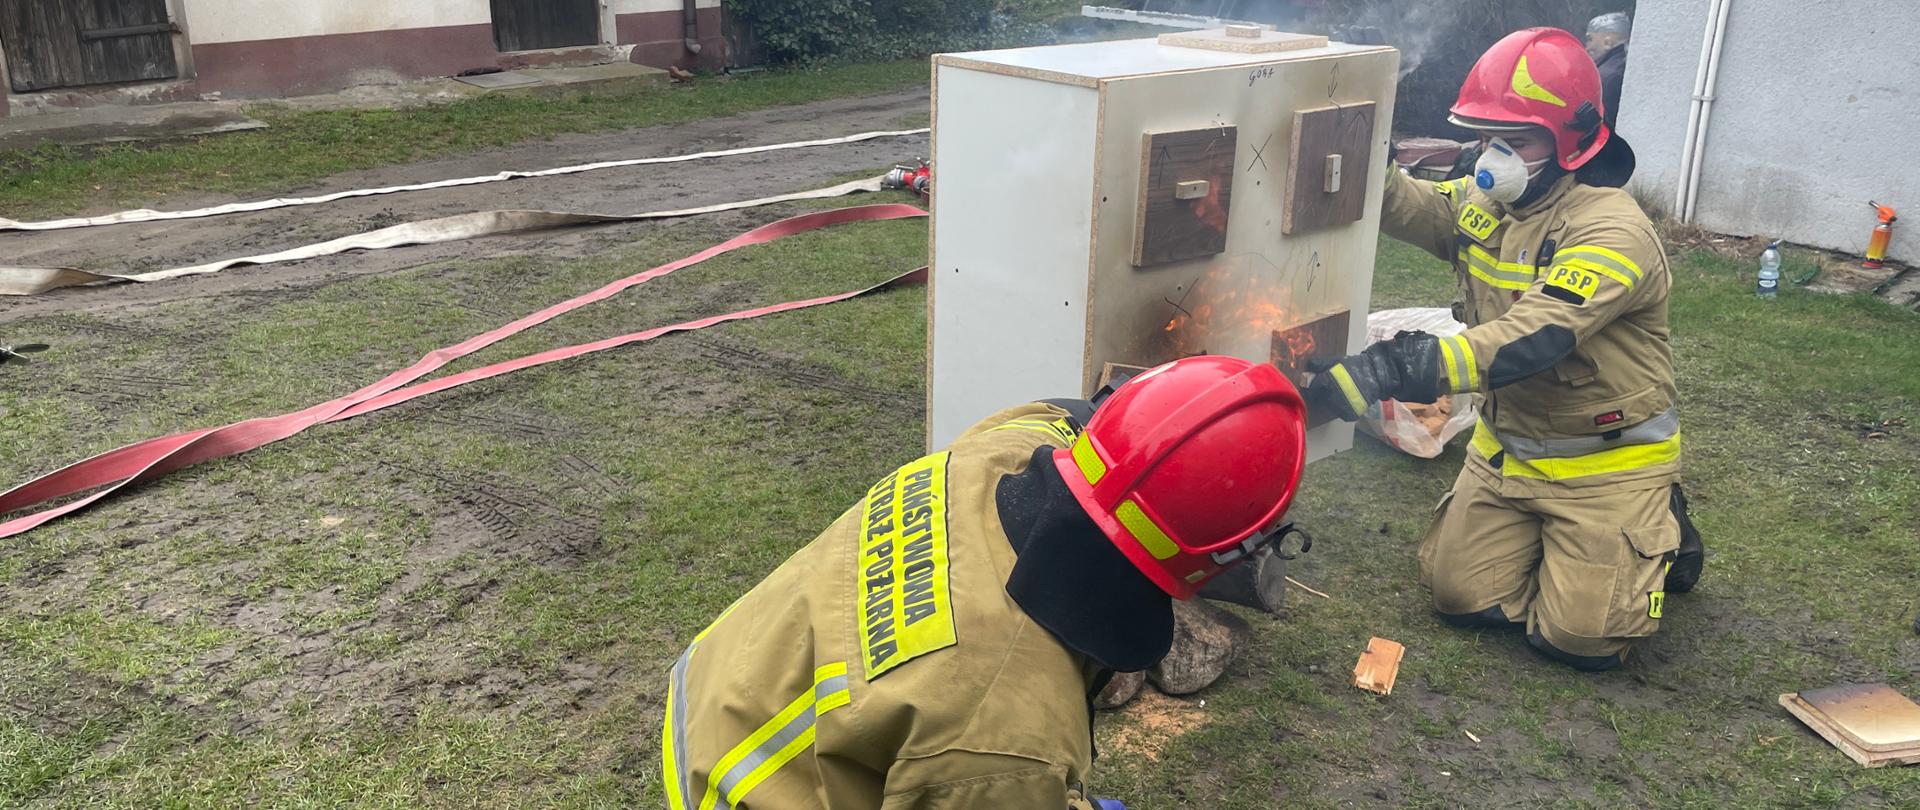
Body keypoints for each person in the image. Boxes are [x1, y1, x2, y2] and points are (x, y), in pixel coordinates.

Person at [662, 355, 1308, 808]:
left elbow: (1063, 414)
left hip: (728, 679)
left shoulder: (1004, 445)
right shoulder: (1010, 734)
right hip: (731, 786)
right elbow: (991, 755)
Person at [1304, 27, 1701, 672]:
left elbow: (1536, 337)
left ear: (1570, 140)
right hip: (1507, 448)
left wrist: (1403, 366)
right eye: (1488, 139)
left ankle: (1659, 529)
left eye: (1514, 142)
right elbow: (1417, 207)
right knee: (1457, 597)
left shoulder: (1612, 229)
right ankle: (1572, 551)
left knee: (1580, 639)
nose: (1494, 157)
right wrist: (1362, 151)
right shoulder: (1492, 200)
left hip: (1606, 460)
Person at [1586, 12, 1631, 128]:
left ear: (1608, 43)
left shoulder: (1607, 76)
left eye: (1590, 39)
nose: (1587, 47)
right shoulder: (1623, 67)